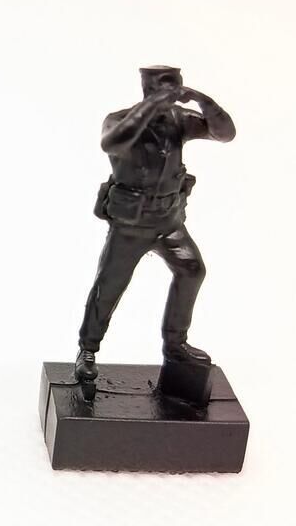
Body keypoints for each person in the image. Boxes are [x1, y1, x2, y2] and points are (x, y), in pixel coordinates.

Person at [75, 66, 236, 396]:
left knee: (192, 270)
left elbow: (225, 134)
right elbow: (111, 142)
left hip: (168, 222)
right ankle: (87, 350)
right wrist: (151, 106)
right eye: (164, 89)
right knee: (109, 287)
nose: (172, 96)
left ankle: (176, 344)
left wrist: (204, 101)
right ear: (147, 90)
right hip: (131, 226)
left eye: (175, 88)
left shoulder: (179, 121)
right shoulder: (120, 120)